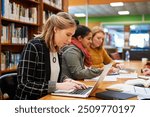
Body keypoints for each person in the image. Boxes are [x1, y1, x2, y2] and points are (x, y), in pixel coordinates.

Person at [14, 12, 86, 100]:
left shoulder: (58, 50)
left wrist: (68, 81)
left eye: (71, 36)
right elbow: (24, 84)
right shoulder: (34, 46)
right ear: (56, 29)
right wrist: (58, 86)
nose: (70, 40)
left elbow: (52, 76)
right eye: (68, 35)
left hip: (49, 98)